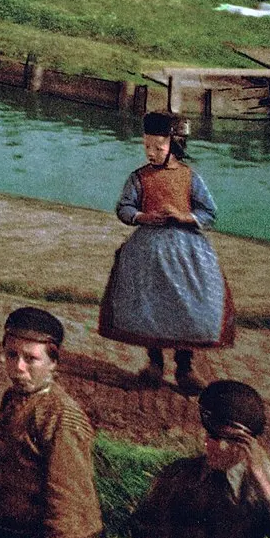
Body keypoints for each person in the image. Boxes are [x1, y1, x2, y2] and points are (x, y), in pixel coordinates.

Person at [99, 112, 234, 394]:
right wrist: (141, 217)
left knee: (191, 305)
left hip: (188, 252)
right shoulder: (138, 177)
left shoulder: (189, 177)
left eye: (158, 147)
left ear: (174, 145)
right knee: (149, 303)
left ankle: (184, 368)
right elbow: (123, 208)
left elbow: (209, 212)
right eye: (146, 146)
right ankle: (155, 363)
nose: (151, 152)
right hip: (148, 251)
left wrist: (183, 216)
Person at [130, 379, 270, 538]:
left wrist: (262, 480)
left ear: (252, 447)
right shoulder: (180, 474)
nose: (215, 445)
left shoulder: (256, 490)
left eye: (230, 440)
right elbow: (145, 526)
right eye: (212, 435)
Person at [0, 306, 102, 538]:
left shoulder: (62, 417)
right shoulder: (13, 397)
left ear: (53, 361)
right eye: (12, 355)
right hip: (5, 529)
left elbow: (68, 502)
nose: (18, 367)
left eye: (31, 359)